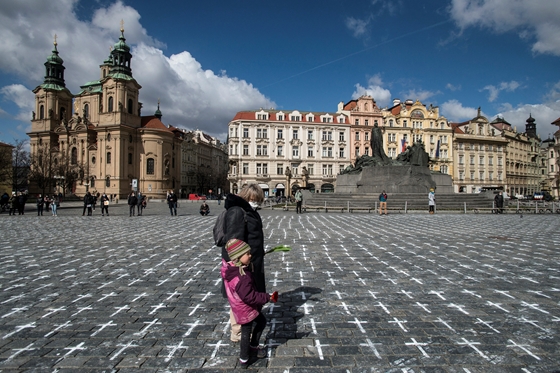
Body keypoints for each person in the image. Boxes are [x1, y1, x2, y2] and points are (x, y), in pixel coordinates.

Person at [222, 238, 277, 368]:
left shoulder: (235, 269)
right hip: (245, 309)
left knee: (261, 322)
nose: (250, 255)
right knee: (246, 333)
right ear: (237, 258)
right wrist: (267, 297)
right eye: (247, 254)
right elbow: (249, 296)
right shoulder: (241, 277)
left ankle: (252, 346)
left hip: (244, 307)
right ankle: (244, 359)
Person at [221, 184, 266, 343]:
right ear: (248, 197)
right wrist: (239, 264)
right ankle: (238, 333)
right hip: (242, 264)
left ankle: (245, 325)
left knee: (247, 295)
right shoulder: (237, 212)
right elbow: (233, 242)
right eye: (256, 200)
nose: (258, 203)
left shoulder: (249, 211)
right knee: (240, 296)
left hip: (251, 261)